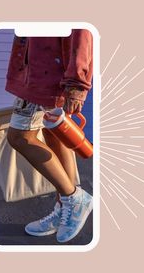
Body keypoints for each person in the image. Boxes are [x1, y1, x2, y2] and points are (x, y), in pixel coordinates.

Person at [5, 29, 93, 243]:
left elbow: (82, 31)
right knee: (53, 135)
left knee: (19, 137)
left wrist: (77, 83)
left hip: (47, 73)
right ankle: (66, 204)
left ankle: (73, 199)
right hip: (38, 70)